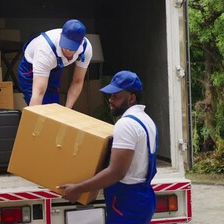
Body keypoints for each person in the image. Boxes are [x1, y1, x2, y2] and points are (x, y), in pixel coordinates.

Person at [58, 70, 158, 224]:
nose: (111, 100)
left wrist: (78, 188)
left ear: (132, 98)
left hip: (127, 201)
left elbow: (116, 172)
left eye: (116, 96)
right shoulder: (146, 120)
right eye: (110, 95)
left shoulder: (126, 124)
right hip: (142, 196)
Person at [17, 19, 93, 107]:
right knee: (42, 109)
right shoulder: (45, 50)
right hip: (30, 69)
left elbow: (77, 81)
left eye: (72, 47)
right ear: (61, 36)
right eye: (65, 45)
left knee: (54, 107)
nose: (67, 50)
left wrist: (67, 110)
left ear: (80, 42)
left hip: (55, 67)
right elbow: (38, 93)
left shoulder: (86, 49)